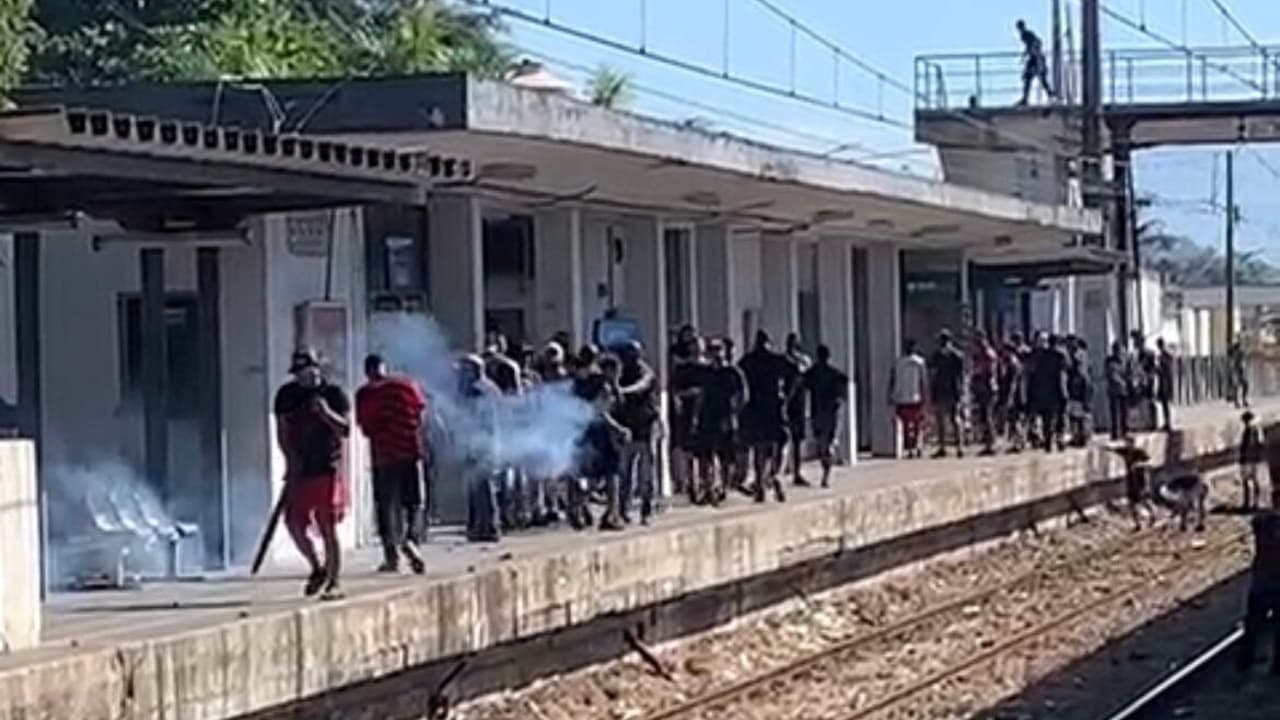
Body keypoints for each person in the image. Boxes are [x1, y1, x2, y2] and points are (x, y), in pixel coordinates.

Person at [273, 349, 351, 599]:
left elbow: (345, 429)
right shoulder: (286, 395)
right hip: (299, 470)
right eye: (297, 373)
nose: (302, 377)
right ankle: (317, 567)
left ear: (317, 369)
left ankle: (335, 580)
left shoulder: (334, 394)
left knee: (328, 525)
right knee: (294, 524)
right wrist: (290, 459)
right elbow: (282, 431)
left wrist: (326, 413)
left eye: (306, 371)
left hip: (327, 466)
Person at [354, 354, 427, 575]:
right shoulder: (407, 386)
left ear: (368, 372)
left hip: (383, 456)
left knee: (385, 507)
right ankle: (412, 540)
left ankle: (391, 557)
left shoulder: (365, 394)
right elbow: (420, 414)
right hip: (410, 452)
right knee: (414, 503)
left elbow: (366, 427)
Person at [738, 330, 797, 503]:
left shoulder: (747, 361)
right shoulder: (776, 359)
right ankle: (775, 474)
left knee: (759, 448)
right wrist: (787, 395)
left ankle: (759, 483)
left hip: (756, 407)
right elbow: (796, 373)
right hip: (775, 406)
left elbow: (739, 378)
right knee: (781, 443)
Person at [691, 339, 747, 506]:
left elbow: (743, 394)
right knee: (705, 455)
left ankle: (723, 486)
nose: (714, 353)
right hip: (707, 417)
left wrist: (735, 414)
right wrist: (695, 416)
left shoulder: (732, 372)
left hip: (725, 417)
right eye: (711, 350)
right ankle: (707, 487)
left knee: (725, 456)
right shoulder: (705, 372)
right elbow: (701, 395)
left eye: (718, 350)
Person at [458, 354, 502, 543]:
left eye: (464, 370)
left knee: (480, 487)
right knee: (485, 486)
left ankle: (485, 527)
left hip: (479, 443)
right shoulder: (491, 388)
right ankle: (486, 525)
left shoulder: (475, 390)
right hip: (492, 441)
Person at [616, 341, 660, 524]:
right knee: (624, 474)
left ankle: (646, 510)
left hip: (646, 428)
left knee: (646, 474)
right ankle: (623, 510)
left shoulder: (646, 372)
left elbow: (642, 385)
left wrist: (622, 391)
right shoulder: (620, 374)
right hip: (627, 429)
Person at [1237, 499, 1280, 675]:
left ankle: (1244, 660)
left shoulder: (1263, 521)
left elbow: (1256, 523)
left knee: (1253, 623)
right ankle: (1277, 665)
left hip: (1260, 582)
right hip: (1277, 584)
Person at [803, 345, 849, 487]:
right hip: (828, 414)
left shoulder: (814, 373)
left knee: (823, 444)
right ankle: (826, 474)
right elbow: (844, 384)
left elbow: (801, 382)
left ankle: (826, 473)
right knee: (826, 444)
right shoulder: (832, 373)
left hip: (820, 413)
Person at [889, 339, 928, 458]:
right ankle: (916, 447)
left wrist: (890, 395)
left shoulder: (898, 363)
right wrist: (925, 396)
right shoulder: (919, 362)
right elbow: (923, 381)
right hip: (915, 397)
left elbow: (892, 380)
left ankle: (911, 448)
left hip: (902, 398)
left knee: (907, 425)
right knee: (916, 425)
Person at [1028, 333, 1068, 452]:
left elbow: (1034, 375)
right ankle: (1059, 440)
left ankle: (1048, 441)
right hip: (1056, 392)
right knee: (1060, 417)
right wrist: (1064, 393)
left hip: (1042, 393)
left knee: (1047, 419)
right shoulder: (1060, 356)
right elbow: (1061, 376)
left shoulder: (1040, 356)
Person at [929, 330, 965, 458]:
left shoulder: (937, 355)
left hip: (941, 390)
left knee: (942, 419)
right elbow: (961, 375)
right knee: (955, 419)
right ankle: (959, 447)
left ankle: (943, 447)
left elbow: (933, 374)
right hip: (954, 389)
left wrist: (932, 391)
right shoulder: (957, 355)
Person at [783, 333, 813, 486]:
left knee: (796, 439)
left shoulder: (802, 361)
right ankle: (785, 469)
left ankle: (796, 471)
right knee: (785, 439)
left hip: (798, 404)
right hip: (788, 403)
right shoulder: (784, 362)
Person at [1111, 437, 1155, 532]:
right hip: (1130, 480)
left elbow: (1150, 463)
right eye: (1126, 443)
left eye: (1129, 443)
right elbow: (1113, 449)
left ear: (1133, 443)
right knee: (1132, 503)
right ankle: (1137, 524)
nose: (1128, 445)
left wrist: (1139, 464)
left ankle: (1152, 514)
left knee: (1144, 500)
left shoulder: (1140, 452)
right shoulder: (1125, 451)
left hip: (1140, 480)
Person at [971, 331, 999, 456]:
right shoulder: (979, 354)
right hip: (982, 388)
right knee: (984, 416)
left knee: (987, 416)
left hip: (988, 388)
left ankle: (991, 444)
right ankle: (988, 442)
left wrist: (978, 375)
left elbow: (988, 372)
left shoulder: (988, 354)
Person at [1016, 20, 1054, 105]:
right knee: (1029, 78)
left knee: (1035, 78)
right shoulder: (1027, 35)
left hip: (1036, 59)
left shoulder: (1025, 35)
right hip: (1035, 58)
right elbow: (1031, 45)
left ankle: (1050, 95)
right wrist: (1025, 54)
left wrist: (1031, 53)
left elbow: (1033, 44)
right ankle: (1026, 98)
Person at [997, 339, 1025, 453]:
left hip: (1015, 396)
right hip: (1013, 395)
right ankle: (1018, 441)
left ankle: (1019, 441)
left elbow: (1013, 383)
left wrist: (1010, 398)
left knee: (1014, 420)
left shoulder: (1013, 363)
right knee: (1013, 420)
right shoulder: (1011, 362)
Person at [1065, 338, 1093, 447]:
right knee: (1079, 414)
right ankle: (1080, 436)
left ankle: (1082, 436)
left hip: (1079, 388)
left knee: (1079, 415)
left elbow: (1082, 373)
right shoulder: (1083, 356)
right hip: (1081, 387)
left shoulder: (1079, 356)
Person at [1105, 341, 1131, 441]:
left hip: (1124, 391)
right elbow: (1110, 374)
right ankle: (1115, 433)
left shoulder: (1125, 361)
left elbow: (1129, 373)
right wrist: (1121, 381)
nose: (1120, 353)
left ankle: (1125, 431)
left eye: (1121, 351)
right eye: (1118, 351)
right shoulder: (1110, 361)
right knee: (1115, 413)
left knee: (1124, 412)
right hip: (1114, 391)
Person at [1240, 411, 1264, 512]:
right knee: (1253, 481)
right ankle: (1254, 502)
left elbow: (1245, 446)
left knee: (1248, 482)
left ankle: (1249, 502)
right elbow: (1259, 445)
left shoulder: (1249, 431)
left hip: (1248, 459)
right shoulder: (1255, 430)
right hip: (1252, 459)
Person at [1155, 338, 1175, 431]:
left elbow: (1165, 370)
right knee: (1164, 404)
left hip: (1165, 383)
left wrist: (1157, 369)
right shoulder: (1164, 355)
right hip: (1164, 382)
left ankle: (1168, 423)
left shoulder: (1165, 356)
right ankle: (1167, 422)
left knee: (1166, 404)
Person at [1230, 340, 1250, 408]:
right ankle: (1241, 401)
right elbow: (1242, 362)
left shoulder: (1234, 353)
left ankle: (1239, 402)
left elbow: (1240, 362)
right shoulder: (1238, 353)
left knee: (1239, 386)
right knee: (1242, 385)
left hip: (1236, 371)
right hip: (1237, 371)